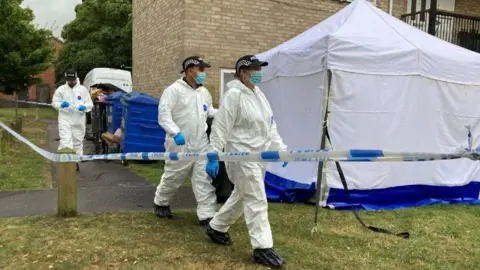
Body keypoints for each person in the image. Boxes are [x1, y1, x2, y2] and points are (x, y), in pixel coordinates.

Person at [204, 55, 288, 268]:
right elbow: (221, 127)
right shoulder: (233, 95)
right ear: (242, 72)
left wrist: (280, 149)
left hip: (258, 157)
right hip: (241, 156)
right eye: (254, 68)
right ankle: (262, 248)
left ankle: (216, 227)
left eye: (260, 68)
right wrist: (213, 154)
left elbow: (270, 126)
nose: (258, 72)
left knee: (243, 195)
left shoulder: (258, 94)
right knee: (256, 198)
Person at [154, 56, 218, 226]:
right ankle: (161, 202)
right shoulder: (173, 90)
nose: (204, 73)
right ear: (190, 70)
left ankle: (207, 215)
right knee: (173, 177)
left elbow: (209, 111)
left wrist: (224, 114)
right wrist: (175, 133)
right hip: (179, 144)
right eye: (201, 70)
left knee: (203, 179)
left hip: (201, 143)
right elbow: (164, 115)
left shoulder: (203, 92)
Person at [52, 69, 93, 171]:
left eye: (73, 79)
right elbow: (54, 103)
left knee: (77, 142)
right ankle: (66, 162)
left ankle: (74, 162)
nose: (71, 82)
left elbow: (90, 104)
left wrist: (85, 107)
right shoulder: (61, 90)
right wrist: (61, 105)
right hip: (65, 118)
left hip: (78, 119)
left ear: (76, 78)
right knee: (66, 140)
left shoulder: (83, 90)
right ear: (67, 79)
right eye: (69, 79)